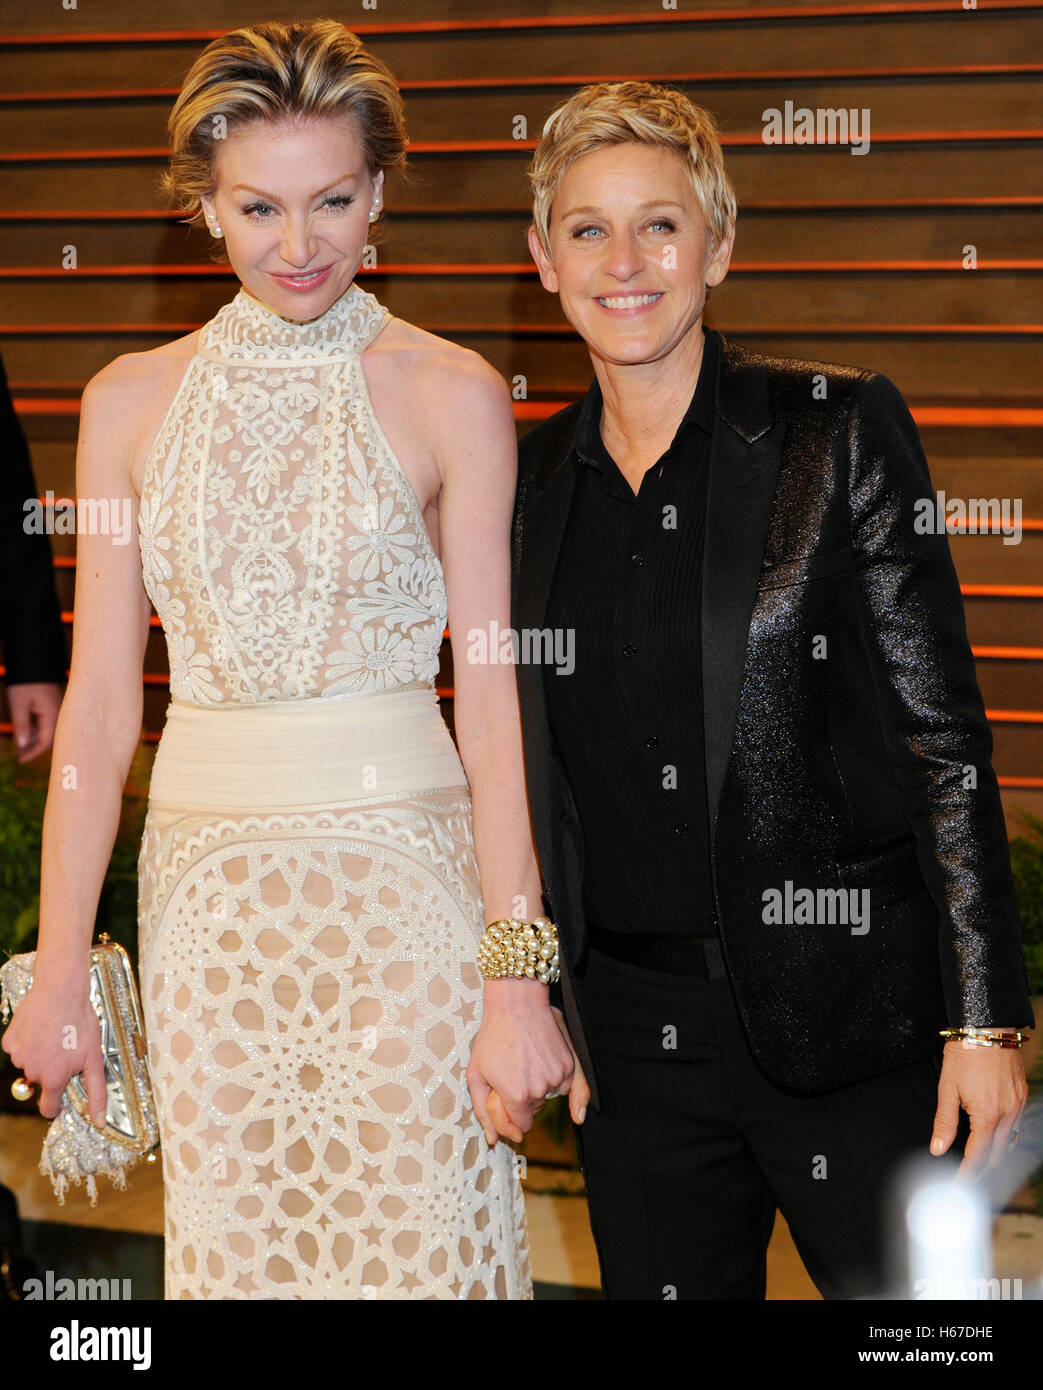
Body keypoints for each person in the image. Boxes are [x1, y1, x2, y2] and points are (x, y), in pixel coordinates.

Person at [1, 19, 579, 1301]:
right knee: (245, 1262)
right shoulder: (124, 404)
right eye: (260, 206)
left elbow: (492, 698)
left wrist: (515, 977)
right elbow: (97, 714)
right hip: (209, 917)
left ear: (379, 193)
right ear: (202, 205)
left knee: (421, 1252)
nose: (300, 243)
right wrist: (56, 973)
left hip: (406, 911)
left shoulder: (453, 391)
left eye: (332, 200)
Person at [507, 80, 1034, 1299]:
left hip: (852, 1024)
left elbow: (941, 741)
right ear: (542, 259)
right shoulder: (525, 482)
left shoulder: (833, 430)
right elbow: (518, 769)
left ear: (718, 245)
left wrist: (983, 1023)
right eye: (587, 228)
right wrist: (532, 987)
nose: (624, 261)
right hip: (631, 1048)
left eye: (661, 224)